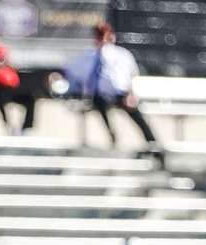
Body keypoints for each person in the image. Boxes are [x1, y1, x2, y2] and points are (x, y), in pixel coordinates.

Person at [66, 22, 159, 153]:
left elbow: (132, 75)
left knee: (135, 113)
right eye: (99, 36)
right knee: (98, 101)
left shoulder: (122, 55)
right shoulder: (88, 57)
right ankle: (112, 135)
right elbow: (77, 76)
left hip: (121, 94)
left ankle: (152, 143)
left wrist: (131, 94)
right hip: (99, 96)